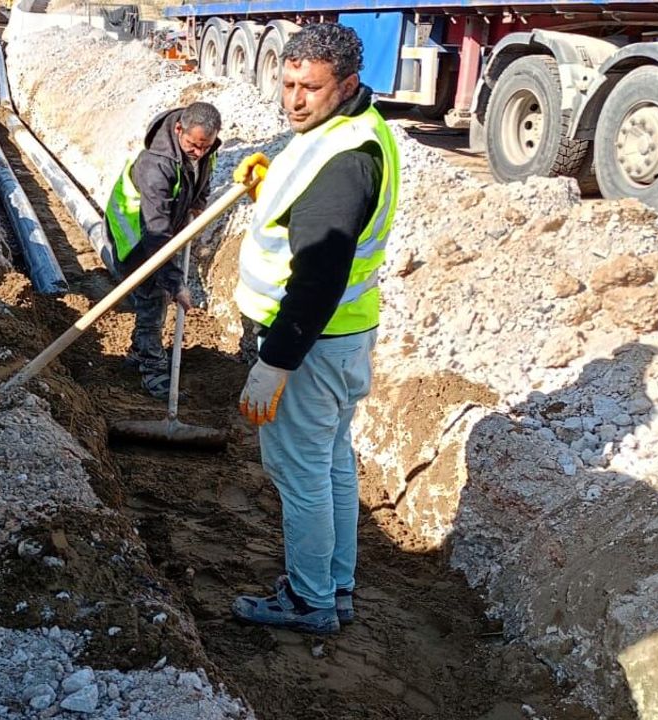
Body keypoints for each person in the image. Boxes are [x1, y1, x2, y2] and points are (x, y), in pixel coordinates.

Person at [230, 22, 400, 634]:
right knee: (330, 463)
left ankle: (309, 601)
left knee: (300, 475)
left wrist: (276, 361)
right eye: (288, 83)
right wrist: (267, 185)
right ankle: (336, 583)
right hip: (343, 340)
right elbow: (305, 203)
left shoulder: (347, 162)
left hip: (311, 346)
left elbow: (319, 276)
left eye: (311, 87)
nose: (294, 99)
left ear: (347, 83)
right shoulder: (344, 128)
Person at [105, 101, 222, 399]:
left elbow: (202, 177)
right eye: (194, 145)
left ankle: (137, 352)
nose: (199, 152)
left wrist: (198, 204)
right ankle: (153, 372)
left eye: (205, 146)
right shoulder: (155, 164)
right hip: (135, 236)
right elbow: (156, 234)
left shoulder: (204, 148)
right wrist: (176, 283)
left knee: (156, 297)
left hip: (160, 230)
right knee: (154, 299)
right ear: (179, 129)